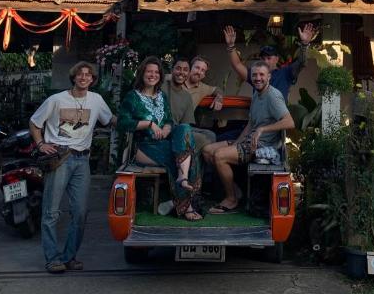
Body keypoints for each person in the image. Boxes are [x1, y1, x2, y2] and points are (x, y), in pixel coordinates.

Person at [29, 61, 113, 274]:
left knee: (80, 212)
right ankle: (52, 258)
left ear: (92, 80)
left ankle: (69, 257)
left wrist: (137, 120)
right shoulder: (56, 100)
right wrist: (41, 144)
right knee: (51, 211)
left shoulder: (96, 100)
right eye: (80, 74)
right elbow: (35, 122)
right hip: (61, 158)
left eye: (88, 75)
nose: (84, 78)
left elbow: (111, 120)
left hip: (82, 160)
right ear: (74, 77)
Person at [202, 60, 294, 214]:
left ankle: (231, 200)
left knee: (219, 156)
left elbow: (290, 122)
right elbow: (251, 124)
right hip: (248, 141)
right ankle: (236, 191)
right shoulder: (257, 95)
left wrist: (263, 129)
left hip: (261, 146)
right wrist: (236, 143)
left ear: (269, 77)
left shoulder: (273, 96)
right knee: (206, 150)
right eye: (254, 75)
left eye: (261, 75)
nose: (258, 78)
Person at [117, 57, 202, 221]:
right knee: (189, 157)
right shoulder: (132, 97)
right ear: (142, 73)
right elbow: (122, 123)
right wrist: (148, 124)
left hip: (165, 143)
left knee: (184, 128)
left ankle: (181, 180)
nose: (153, 75)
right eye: (149, 71)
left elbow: (169, 119)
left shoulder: (161, 96)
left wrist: (166, 128)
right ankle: (186, 205)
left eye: (156, 72)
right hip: (144, 147)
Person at [223, 22, 318, 100]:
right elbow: (237, 64)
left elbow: (302, 63)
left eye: (269, 58)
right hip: (259, 120)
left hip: (278, 120)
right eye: (263, 58)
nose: (265, 61)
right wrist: (231, 46)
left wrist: (305, 44)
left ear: (276, 59)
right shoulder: (256, 76)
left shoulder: (285, 73)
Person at [165, 57, 215, 152]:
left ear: (204, 75)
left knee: (210, 135)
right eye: (197, 68)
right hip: (168, 123)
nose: (199, 72)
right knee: (195, 138)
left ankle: (190, 161)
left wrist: (219, 98)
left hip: (183, 124)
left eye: (203, 70)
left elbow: (216, 90)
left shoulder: (203, 88)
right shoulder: (171, 79)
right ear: (190, 68)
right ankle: (185, 159)